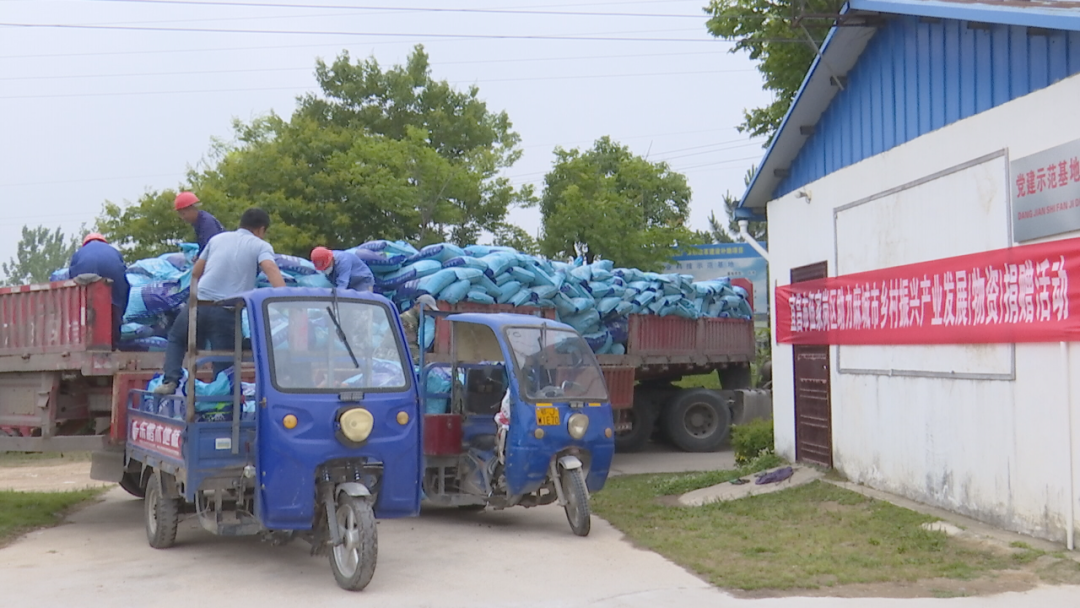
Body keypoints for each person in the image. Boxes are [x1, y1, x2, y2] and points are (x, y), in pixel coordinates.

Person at [154, 208, 286, 395]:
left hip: (198, 304)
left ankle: (170, 380)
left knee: (177, 338)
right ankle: (222, 401)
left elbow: (196, 272)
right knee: (223, 361)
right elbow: (270, 268)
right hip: (226, 310)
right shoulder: (260, 245)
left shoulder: (217, 239)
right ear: (261, 229)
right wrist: (284, 297)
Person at [68, 233, 130, 346]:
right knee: (115, 301)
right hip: (112, 272)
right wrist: (121, 309)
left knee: (82, 304)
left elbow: (71, 275)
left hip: (85, 270)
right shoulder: (114, 251)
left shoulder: (79, 253)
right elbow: (122, 272)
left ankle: (83, 339)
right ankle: (113, 342)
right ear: (104, 242)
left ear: (85, 243)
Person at [174, 191, 224, 257]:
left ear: (192, 209)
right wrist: (198, 256)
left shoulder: (207, 223)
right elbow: (203, 246)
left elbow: (211, 249)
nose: (182, 218)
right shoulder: (198, 222)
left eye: (183, 214)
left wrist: (200, 260)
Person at [310, 247, 375, 292]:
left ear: (331, 259)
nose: (325, 270)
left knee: (363, 304)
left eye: (326, 267)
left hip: (362, 280)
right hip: (349, 283)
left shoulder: (343, 261)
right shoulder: (325, 263)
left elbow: (342, 285)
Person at [398, 294, 439, 363]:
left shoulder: (417, 319)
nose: (429, 313)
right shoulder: (407, 319)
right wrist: (420, 359)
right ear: (419, 306)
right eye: (428, 310)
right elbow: (410, 344)